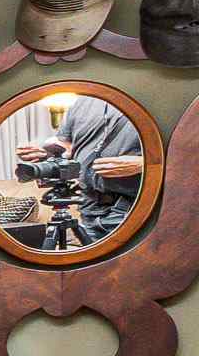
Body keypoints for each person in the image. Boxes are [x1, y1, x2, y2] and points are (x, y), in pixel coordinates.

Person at [15, 97, 145, 250]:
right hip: (88, 208)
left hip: (133, 209)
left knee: (125, 271)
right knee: (85, 271)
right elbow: (67, 145)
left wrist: (142, 164)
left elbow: (179, 160)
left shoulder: (151, 100)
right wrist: (44, 151)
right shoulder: (82, 101)